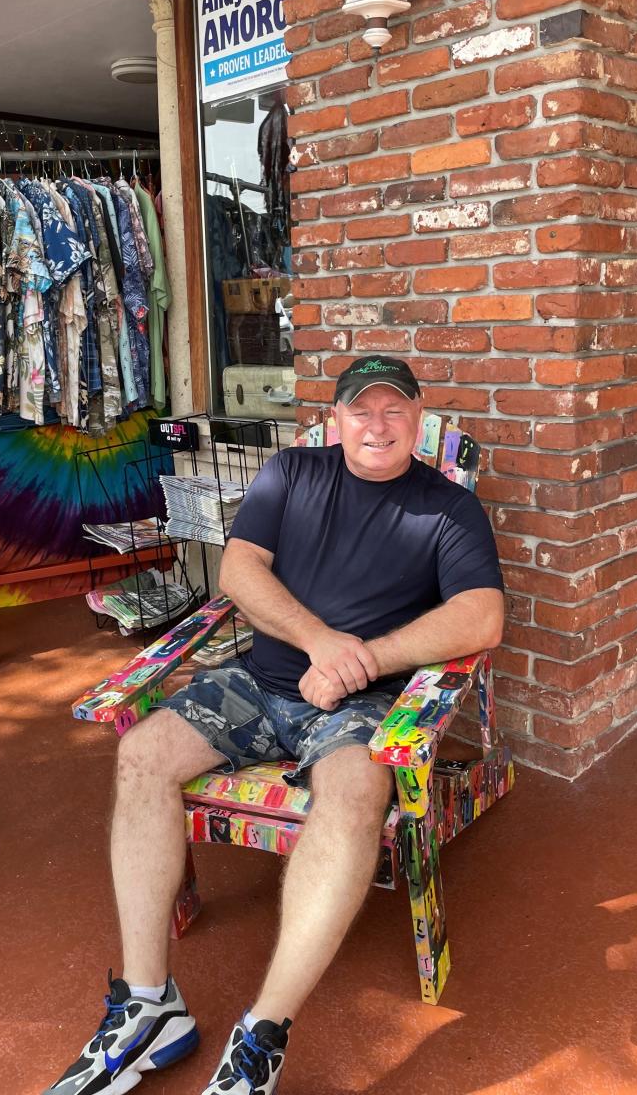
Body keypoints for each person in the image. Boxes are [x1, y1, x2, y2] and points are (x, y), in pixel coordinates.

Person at [46, 355, 505, 1095]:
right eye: (363, 410)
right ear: (336, 419)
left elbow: (482, 616)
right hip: (260, 684)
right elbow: (239, 573)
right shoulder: (291, 475)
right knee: (142, 752)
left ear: (419, 421)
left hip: (361, 706)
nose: (378, 425)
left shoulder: (448, 509)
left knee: (356, 798)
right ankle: (148, 1001)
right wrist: (321, 642)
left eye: (395, 411)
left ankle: (263, 1032)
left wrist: (362, 662)